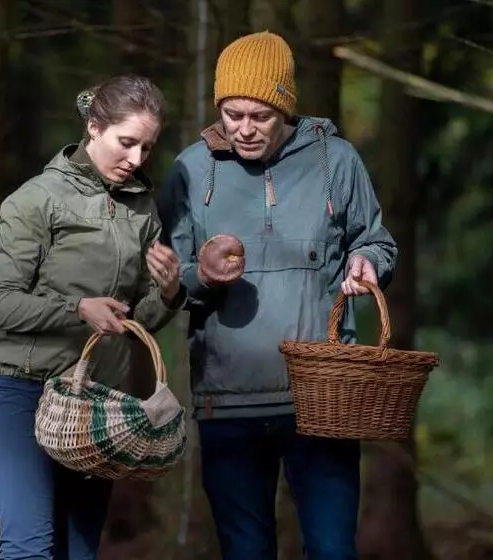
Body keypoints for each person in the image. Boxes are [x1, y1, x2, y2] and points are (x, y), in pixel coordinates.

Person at [158, 32, 398, 559]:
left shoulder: (336, 160)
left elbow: (376, 240)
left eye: (259, 116)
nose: (243, 129)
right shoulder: (190, 170)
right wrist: (204, 275)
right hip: (227, 401)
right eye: (231, 113)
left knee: (333, 550)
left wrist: (368, 263)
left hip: (322, 397)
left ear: (285, 108)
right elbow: (167, 286)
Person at [0, 74, 185, 560]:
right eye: (126, 142)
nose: (136, 160)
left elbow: (138, 320)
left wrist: (171, 290)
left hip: (94, 403)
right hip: (21, 390)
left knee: (78, 552)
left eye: (147, 149)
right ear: (94, 128)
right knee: (29, 548)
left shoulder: (143, 211)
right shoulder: (36, 200)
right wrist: (78, 309)